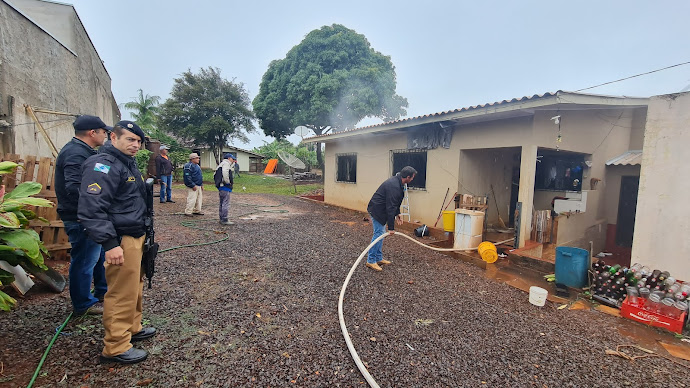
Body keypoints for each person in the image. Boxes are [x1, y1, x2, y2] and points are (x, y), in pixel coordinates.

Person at [78, 120, 156, 364]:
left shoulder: (126, 163)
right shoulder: (103, 165)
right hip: (121, 238)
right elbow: (91, 208)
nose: (135, 145)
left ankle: (133, 327)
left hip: (136, 233)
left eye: (138, 141)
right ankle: (116, 346)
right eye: (129, 139)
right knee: (121, 291)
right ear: (113, 137)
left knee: (135, 285)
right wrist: (110, 244)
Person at [55, 115, 110, 315]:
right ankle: (83, 303)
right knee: (85, 259)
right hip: (81, 218)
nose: (105, 135)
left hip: (92, 216)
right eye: (103, 131)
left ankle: (102, 292)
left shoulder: (86, 151)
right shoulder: (75, 153)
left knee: (98, 256)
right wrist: (92, 211)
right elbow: (75, 187)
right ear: (92, 132)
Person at [365, 166, 417, 271]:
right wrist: (391, 228)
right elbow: (390, 207)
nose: (412, 179)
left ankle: (378, 258)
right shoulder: (394, 185)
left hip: (382, 209)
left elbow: (395, 202)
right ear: (407, 177)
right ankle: (371, 261)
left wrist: (398, 213)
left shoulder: (399, 182)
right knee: (379, 234)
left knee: (380, 234)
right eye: (412, 177)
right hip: (377, 210)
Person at [215, 153, 235, 225]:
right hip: (224, 186)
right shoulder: (226, 164)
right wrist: (228, 182)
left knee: (222, 203)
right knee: (225, 203)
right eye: (232, 159)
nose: (233, 160)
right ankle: (224, 219)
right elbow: (225, 173)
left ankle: (221, 218)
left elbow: (214, 175)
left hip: (220, 186)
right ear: (229, 158)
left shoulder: (220, 164)